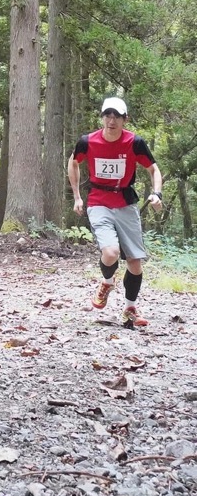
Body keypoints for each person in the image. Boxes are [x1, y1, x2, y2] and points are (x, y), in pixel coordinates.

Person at [68, 96, 163, 328]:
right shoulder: (87, 141)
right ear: (102, 117)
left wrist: (156, 193)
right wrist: (77, 196)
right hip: (99, 201)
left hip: (125, 203)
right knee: (110, 253)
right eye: (107, 115)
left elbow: (153, 169)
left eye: (116, 116)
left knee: (135, 261)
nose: (111, 120)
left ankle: (129, 308)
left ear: (124, 119)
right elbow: (74, 162)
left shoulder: (134, 142)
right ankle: (107, 282)